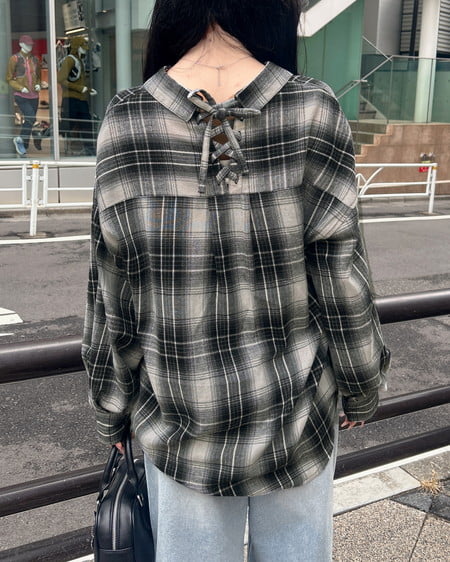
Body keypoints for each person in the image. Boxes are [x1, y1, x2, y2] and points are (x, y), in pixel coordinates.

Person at [82, 1, 390, 560]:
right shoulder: (312, 108)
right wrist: (362, 384)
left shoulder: (127, 120)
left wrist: (111, 409)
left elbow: (112, 291)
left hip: (179, 418)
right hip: (297, 414)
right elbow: (341, 274)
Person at [57, 36, 97, 155]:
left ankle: (89, 149)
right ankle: (44, 133)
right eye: (82, 47)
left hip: (81, 99)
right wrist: (80, 88)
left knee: (86, 124)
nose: (84, 49)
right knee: (67, 125)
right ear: (76, 47)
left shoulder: (79, 61)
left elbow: (79, 81)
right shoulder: (70, 60)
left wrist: (88, 90)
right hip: (71, 99)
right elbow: (61, 79)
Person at [6, 35, 41, 156]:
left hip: (34, 95)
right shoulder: (14, 59)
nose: (29, 46)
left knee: (31, 120)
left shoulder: (35, 59)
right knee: (30, 117)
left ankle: (23, 147)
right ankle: (20, 140)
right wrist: (20, 88)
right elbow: (9, 79)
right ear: (21, 44)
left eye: (30, 44)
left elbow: (38, 76)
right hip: (21, 95)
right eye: (27, 44)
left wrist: (38, 84)